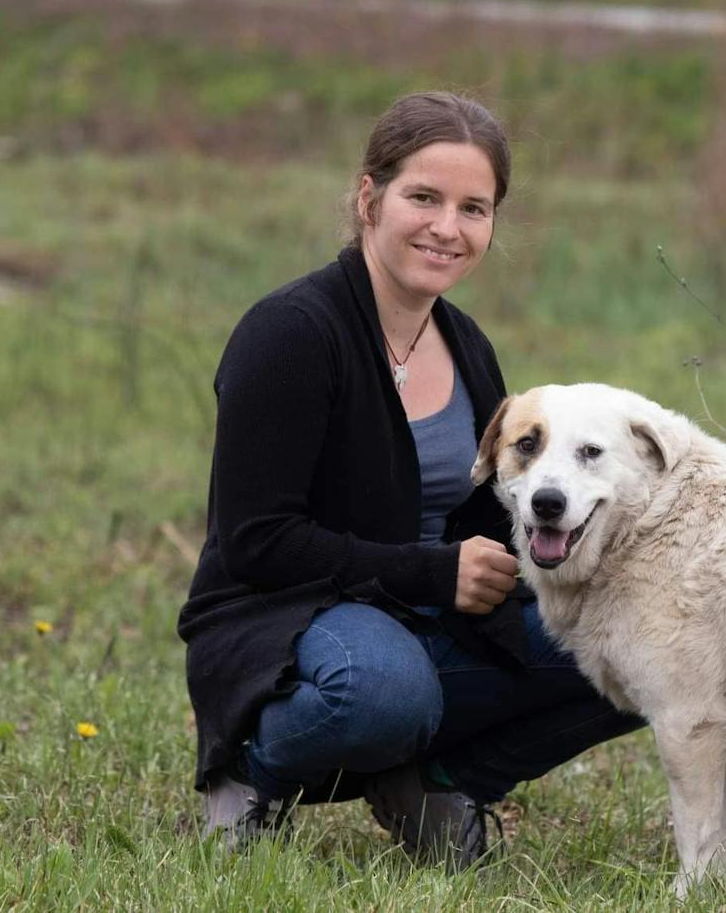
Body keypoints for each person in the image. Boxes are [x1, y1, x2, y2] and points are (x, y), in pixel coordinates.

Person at [177, 91, 641, 865]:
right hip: (288, 618)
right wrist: (434, 572)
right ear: (369, 197)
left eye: (474, 208)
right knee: (383, 691)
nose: (447, 228)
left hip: (424, 613)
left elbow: (487, 512)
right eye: (423, 197)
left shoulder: (466, 345)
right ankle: (247, 772)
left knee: (642, 641)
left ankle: (435, 787)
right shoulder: (291, 334)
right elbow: (258, 544)